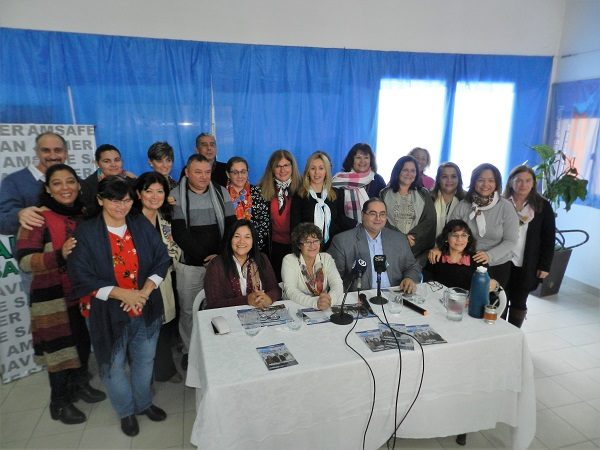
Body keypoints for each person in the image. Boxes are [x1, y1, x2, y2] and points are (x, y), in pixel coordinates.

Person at [68, 177, 171, 437]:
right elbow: (80, 274)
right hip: (105, 313)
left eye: (126, 200)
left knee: (145, 359)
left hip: (144, 306)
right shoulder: (86, 232)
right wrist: (122, 293)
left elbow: (162, 257)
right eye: (114, 200)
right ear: (100, 200)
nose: (121, 206)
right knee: (113, 366)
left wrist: (144, 292)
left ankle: (143, 403)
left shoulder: (139, 224)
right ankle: (126, 412)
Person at [16, 164, 106, 425]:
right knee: (58, 352)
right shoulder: (37, 218)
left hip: (80, 295)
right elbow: (24, 261)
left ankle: (80, 385)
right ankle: (59, 402)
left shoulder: (83, 214)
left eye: (70, 181)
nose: (65, 188)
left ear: (78, 185)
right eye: (57, 183)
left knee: (81, 344)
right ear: (47, 189)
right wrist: (59, 255)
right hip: (52, 299)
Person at [170, 154, 235, 370]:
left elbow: (231, 226)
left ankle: (216, 350)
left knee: (217, 307)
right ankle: (190, 352)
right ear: (187, 173)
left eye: (207, 172)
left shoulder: (221, 191)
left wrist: (219, 257)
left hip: (220, 262)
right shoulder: (175, 195)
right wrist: (204, 259)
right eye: (197, 172)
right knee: (189, 311)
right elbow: (180, 234)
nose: (203, 176)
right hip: (189, 265)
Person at [430, 163, 519, 289]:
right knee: (463, 298)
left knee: (492, 300)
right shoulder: (463, 205)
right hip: (467, 264)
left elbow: (511, 241)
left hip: (498, 264)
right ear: (473, 182)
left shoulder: (506, 207)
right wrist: (439, 248)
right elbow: (449, 232)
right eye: (481, 180)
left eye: (491, 180)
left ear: (497, 183)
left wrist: (489, 255)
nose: (485, 184)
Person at [134, 172, 182, 383]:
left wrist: (170, 258)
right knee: (143, 328)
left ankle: (164, 370)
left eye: (160, 191)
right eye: (149, 191)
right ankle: (143, 375)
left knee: (164, 324)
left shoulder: (164, 217)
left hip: (164, 278)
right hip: (138, 283)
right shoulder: (131, 220)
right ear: (139, 194)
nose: (155, 196)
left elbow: (174, 246)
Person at [328, 198, 421, 292]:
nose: (378, 218)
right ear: (363, 215)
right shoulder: (342, 241)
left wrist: (410, 278)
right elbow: (332, 277)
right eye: (373, 213)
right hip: (360, 296)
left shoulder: (399, 239)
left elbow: (413, 266)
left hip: (395, 293)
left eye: (382, 214)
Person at [503, 165, 555, 327]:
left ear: (533, 183)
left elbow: (548, 238)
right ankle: (499, 334)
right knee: (499, 298)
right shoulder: (501, 202)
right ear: (511, 182)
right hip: (502, 261)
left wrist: (544, 266)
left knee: (519, 301)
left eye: (527, 180)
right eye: (518, 180)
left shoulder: (542, 206)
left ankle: (514, 333)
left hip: (527, 263)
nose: (523, 184)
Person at [0, 131, 68, 235]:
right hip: (31, 244)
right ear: (37, 152)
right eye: (46, 150)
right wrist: (19, 214)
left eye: (58, 150)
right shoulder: (13, 182)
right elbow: (2, 222)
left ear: (66, 153)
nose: (53, 156)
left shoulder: (75, 181)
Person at [205, 219, 281, 309]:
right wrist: (247, 300)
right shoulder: (216, 264)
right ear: (230, 239)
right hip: (229, 316)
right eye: (237, 236)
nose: (241, 241)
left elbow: (276, 289)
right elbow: (213, 304)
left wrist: (268, 298)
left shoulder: (261, 259)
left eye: (247, 237)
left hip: (260, 313)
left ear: (253, 241)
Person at [291, 151, 356, 251]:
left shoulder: (337, 194)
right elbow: (295, 227)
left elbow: (340, 219)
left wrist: (359, 225)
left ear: (326, 171)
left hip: (332, 248)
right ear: (308, 171)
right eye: (313, 168)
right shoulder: (300, 195)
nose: (317, 173)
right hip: (308, 249)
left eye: (321, 168)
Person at [380, 155, 436, 266]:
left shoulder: (423, 193)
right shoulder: (384, 193)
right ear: (398, 171)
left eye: (413, 171)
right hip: (390, 249)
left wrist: (411, 239)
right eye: (405, 170)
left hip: (416, 250)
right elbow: (381, 220)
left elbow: (430, 221)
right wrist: (401, 238)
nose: (409, 174)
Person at [257, 149, 302, 281]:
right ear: (271, 169)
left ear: (292, 167)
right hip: (272, 248)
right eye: (278, 166)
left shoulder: (302, 189)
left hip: (297, 247)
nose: (282, 170)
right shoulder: (261, 190)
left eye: (286, 165)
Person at [423, 219, 500, 291]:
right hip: (439, 299)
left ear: (468, 239)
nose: (459, 239)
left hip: (468, 300)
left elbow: (494, 284)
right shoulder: (436, 257)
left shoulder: (477, 259)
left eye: (464, 235)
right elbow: (426, 282)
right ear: (446, 238)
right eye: (455, 235)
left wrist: (494, 285)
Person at [282, 223, 344, 310]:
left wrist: (329, 300)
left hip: (323, 308)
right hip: (296, 307)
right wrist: (315, 303)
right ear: (299, 245)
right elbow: (291, 291)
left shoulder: (326, 258)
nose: (312, 245)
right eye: (307, 242)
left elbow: (337, 284)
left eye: (316, 241)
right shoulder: (289, 260)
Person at [332, 143, 387, 222]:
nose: (362, 161)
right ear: (352, 160)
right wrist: (354, 225)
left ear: (371, 160)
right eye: (358, 157)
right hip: (345, 227)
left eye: (366, 157)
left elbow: (383, 208)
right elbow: (336, 211)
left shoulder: (378, 180)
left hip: (374, 226)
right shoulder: (339, 179)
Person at [225, 156, 269, 251]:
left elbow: (264, 223)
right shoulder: (221, 194)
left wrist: (253, 246)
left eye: (243, 172)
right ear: (228, 174)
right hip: (228, 248)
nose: (240, 176)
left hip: (255, 247)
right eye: (235, 172)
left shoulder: (258, 192)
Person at [80, 144, 136, 214]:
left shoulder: (132, 181)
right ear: (97, 163)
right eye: (106, 161)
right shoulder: (87, 186)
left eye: (117, 160)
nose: (113, 165)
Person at [431, 162, 466, 236]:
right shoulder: (428, 198)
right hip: (429, 242)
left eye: (453, 176)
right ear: (438, 179)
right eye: (444, 177)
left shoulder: (466, 200)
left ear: (459, 179)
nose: (449, 180)